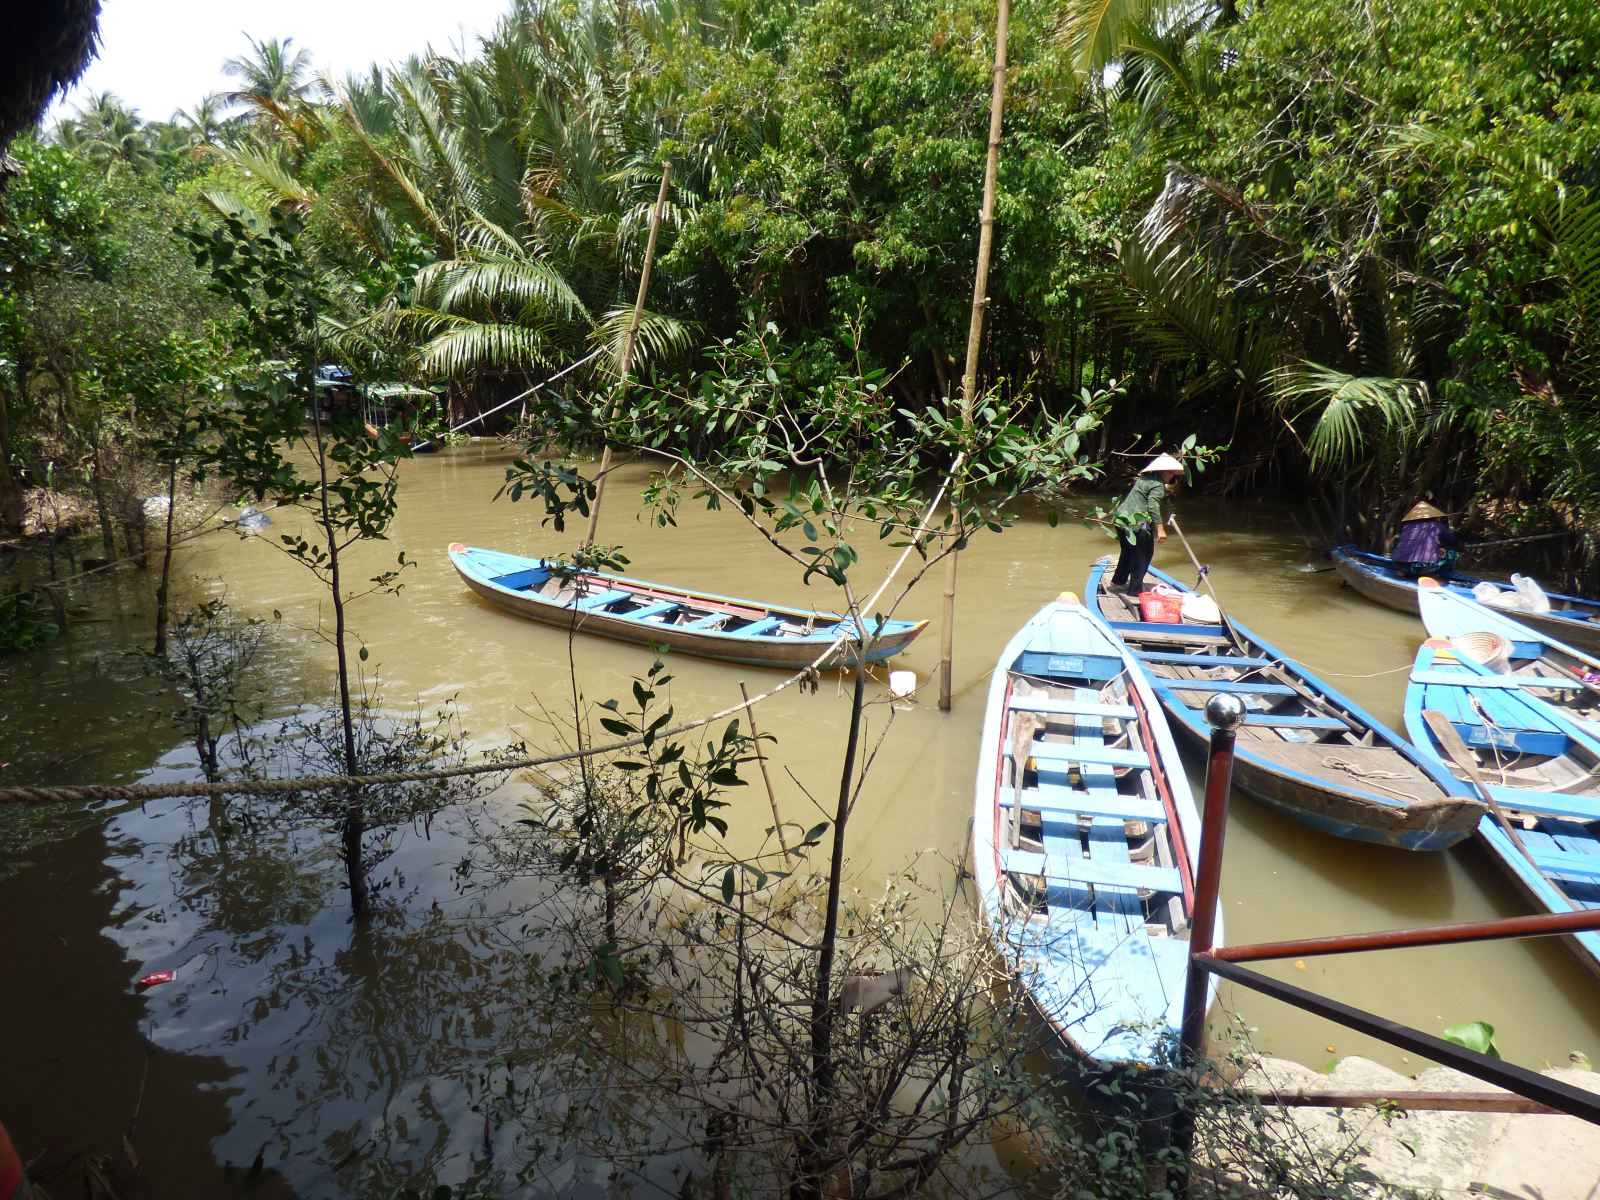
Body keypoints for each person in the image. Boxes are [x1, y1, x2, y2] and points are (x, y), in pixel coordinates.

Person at [1110, 453, 1183, 596]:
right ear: (1164, 471)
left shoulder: (1143, 479)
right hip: (1137, 523)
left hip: (1120, 520)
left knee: (1128, 552)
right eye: (1171, 471)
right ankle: (1134, 592)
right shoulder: (1158, 485)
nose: (1172, 475)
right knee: (1144, 556)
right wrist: (1160, 529)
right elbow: (1153, 507)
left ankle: (1118, 582)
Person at [1389, 500, 1459, 579]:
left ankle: (1404, 570)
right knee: (1453, 552)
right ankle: (1428, 572)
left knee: (1398, 539)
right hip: (1425, 566)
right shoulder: (1437, 526)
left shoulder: (1407, 526)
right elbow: (1452, 541)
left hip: (1400, 563)